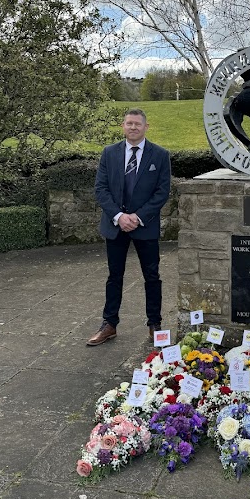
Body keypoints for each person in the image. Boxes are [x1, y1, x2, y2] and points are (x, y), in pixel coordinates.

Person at [87, 108, 171, 346]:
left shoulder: (160, 155)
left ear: (146, 127)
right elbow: (100, 189)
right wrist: (118, 216)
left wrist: (137, 216)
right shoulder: (109, 153)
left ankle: (155, 325)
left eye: (137, 124)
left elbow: (162, 191)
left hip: (145, 225)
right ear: (123, 126)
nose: (133, 127)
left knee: (152, 276)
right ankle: (109, 324)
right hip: (115, 225)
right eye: (129, 123)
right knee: (114, 276)